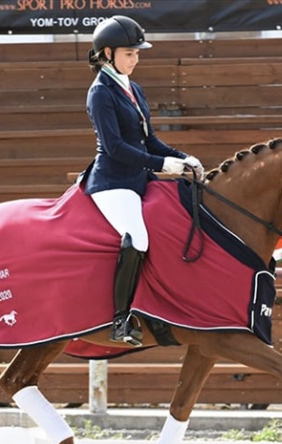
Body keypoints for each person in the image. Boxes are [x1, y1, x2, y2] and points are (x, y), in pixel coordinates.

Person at [83, 15, 204, 347]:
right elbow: (116, 148)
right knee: (137, 237)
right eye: (129, 54)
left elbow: (149, 141)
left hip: (139, 177)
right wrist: (163, 164)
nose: (135, 60)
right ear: (107, 53)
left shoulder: (132, 88)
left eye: (137, 54)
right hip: (112, 182)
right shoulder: (100, 93)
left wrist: (182, 158)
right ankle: (120, 320)